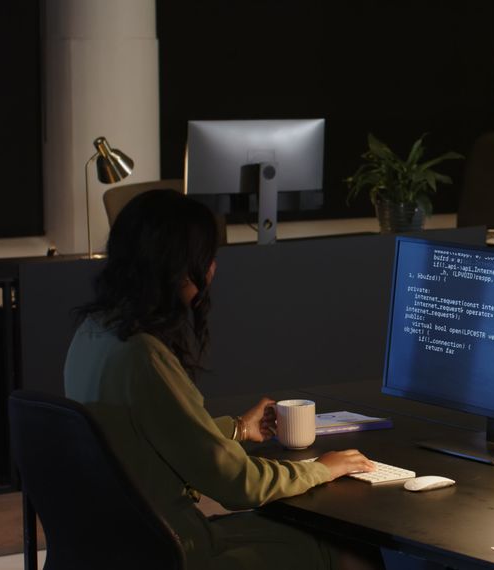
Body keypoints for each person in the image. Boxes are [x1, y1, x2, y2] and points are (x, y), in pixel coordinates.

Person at [65, 189, 378, 569]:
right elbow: (237, 485)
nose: (212, 268)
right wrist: (321, 468)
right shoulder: (143, 357)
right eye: (205, 258)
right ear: (178, 266)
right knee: (351, 552)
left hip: (126, 543)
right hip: (176, 551)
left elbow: (154, 437)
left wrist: (238, 431)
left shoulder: (93, 333)